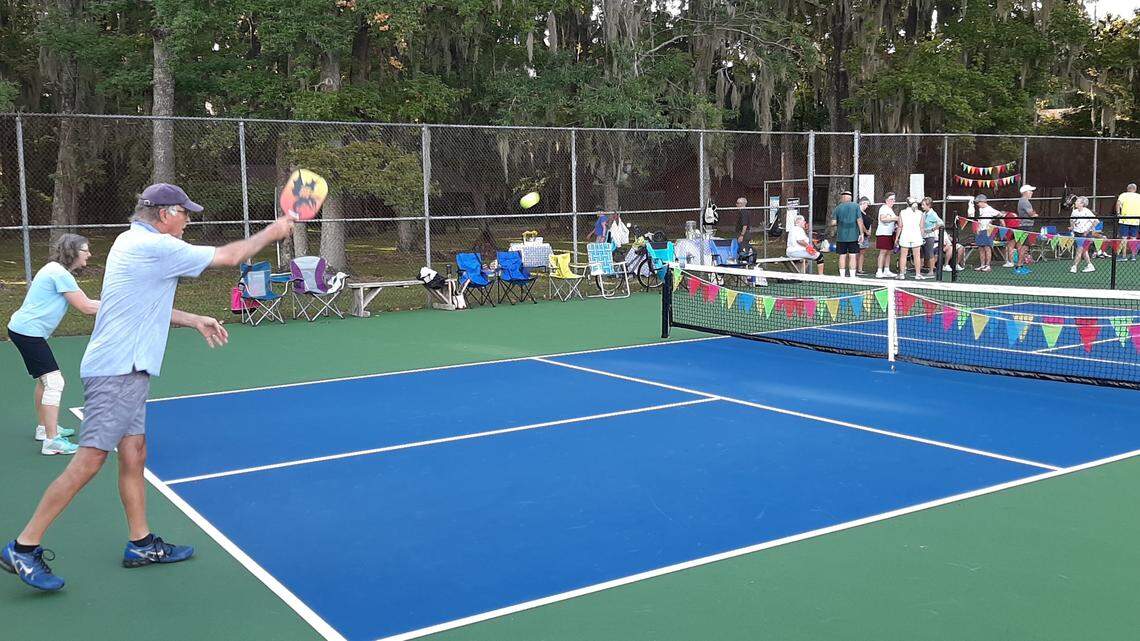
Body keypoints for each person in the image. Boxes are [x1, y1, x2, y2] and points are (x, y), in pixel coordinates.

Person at [0, 183, 294, 592]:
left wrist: (194, 319)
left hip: (129, 369)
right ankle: (24, 546)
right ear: (164, 214)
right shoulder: (155, 247)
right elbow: (231, 256)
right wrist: (273, 231)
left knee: (134, 453)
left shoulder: (130, 242)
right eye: (185, 213)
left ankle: (141, 543)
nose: (189, 219)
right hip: (116, 370)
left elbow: (142, 303)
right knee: (88, 461)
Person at [7, 234, 100, 456]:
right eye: (85, 249)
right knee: (54, 382)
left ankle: (43, 429)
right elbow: (86, 307)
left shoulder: (54, 269)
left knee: (44, 380)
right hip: (28, 333)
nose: (89, 254)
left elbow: (87, 303)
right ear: (73, 252)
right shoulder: (60, 274)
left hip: (23, 330)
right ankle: (52, 442)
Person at [828, 190, 867, 277]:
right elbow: (859, 220)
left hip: (841, 237)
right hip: (853, 236)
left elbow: (833, 223)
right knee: (853, 256)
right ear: (850, 198)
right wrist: (862, 234)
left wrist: (840, 222)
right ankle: (852, 276)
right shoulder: (856, 206)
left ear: (843, 198)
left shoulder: (838, 208)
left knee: (842, 256)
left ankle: (842, 276)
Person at [897, 197, 926, 279]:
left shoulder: (902, 212)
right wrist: (922, 237)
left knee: (903, 255)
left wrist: (897, 237)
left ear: (907, 204)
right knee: (917, 255)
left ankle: (902, 274)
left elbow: (900, 226)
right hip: (916, 236)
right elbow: (922, 227)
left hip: (905, 236)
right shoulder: (920, 213)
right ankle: (918, 274)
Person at [1070, 196, 1099, 273]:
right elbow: (1072, 221)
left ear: (1082, 204)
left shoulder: (1087, 212)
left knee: (1079, 250)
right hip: (1077, 233)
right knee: (1084, 251)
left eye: (1077, 201)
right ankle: (1090, 265)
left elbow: (1096, 221)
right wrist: (1072, 227)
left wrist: (1088, 230)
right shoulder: (1074, 212)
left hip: (1086, 234)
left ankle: (1074, 266)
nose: (1075, 202)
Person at [1012, 184, 1038, 268]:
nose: (1031, 193)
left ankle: (1020, 265)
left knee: (1022, 246)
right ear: (1025, 192)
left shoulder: (1022, 201)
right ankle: (1019, 266)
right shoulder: (1025, 201)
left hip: (1024, 225)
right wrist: (1035, 214)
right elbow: (1031, 214)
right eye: (1030, 191)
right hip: (1026, 226)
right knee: (1024, 247)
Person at [875, 192, 899, 277]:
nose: (893, 201)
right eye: (891, 199)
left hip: (890, 234)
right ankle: (879, 271)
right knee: (883, 252)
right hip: (883, 233)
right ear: (886, 200)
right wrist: (895, 218)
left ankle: (886, 270)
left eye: (894, 199)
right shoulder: (883, 208)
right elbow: (883, 219)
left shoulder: (890, 209)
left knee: (889, 252)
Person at [919, 198, 944, 278]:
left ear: (928, 205)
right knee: (922, 253)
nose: (922, 206)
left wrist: (933, 229)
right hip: (922, 235)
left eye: (924, 205)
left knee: (930, 253)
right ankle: (920, 270)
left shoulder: (933, 214)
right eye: (922, 204)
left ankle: (931, 271)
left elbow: (941, 223)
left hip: (929, 236)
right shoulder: (923, 214)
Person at [973, 194, 999, 272]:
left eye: (978, 202)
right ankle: (982, 265)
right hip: (980, 230)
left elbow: (999, 214)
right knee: (981, 248)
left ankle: (988, 266)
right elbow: (979, 220)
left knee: (987, 248)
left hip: (987, 230)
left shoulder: (990, 209)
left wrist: (992, 221)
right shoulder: (980, 210)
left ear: (983, 201)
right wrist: (977, 228)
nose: (977, 204)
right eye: (977, 203)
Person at [1116, 183, 1140, 261]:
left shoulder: (1123, 195)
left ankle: (1124, 256)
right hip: (1136, 219)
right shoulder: (1138, 196)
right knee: (1134, 238)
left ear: (1127, 188)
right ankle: (1133, 256)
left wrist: (1118, 213)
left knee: (1124, 238)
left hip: (1124, 219)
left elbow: (1118, 204)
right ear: (1135, 189)